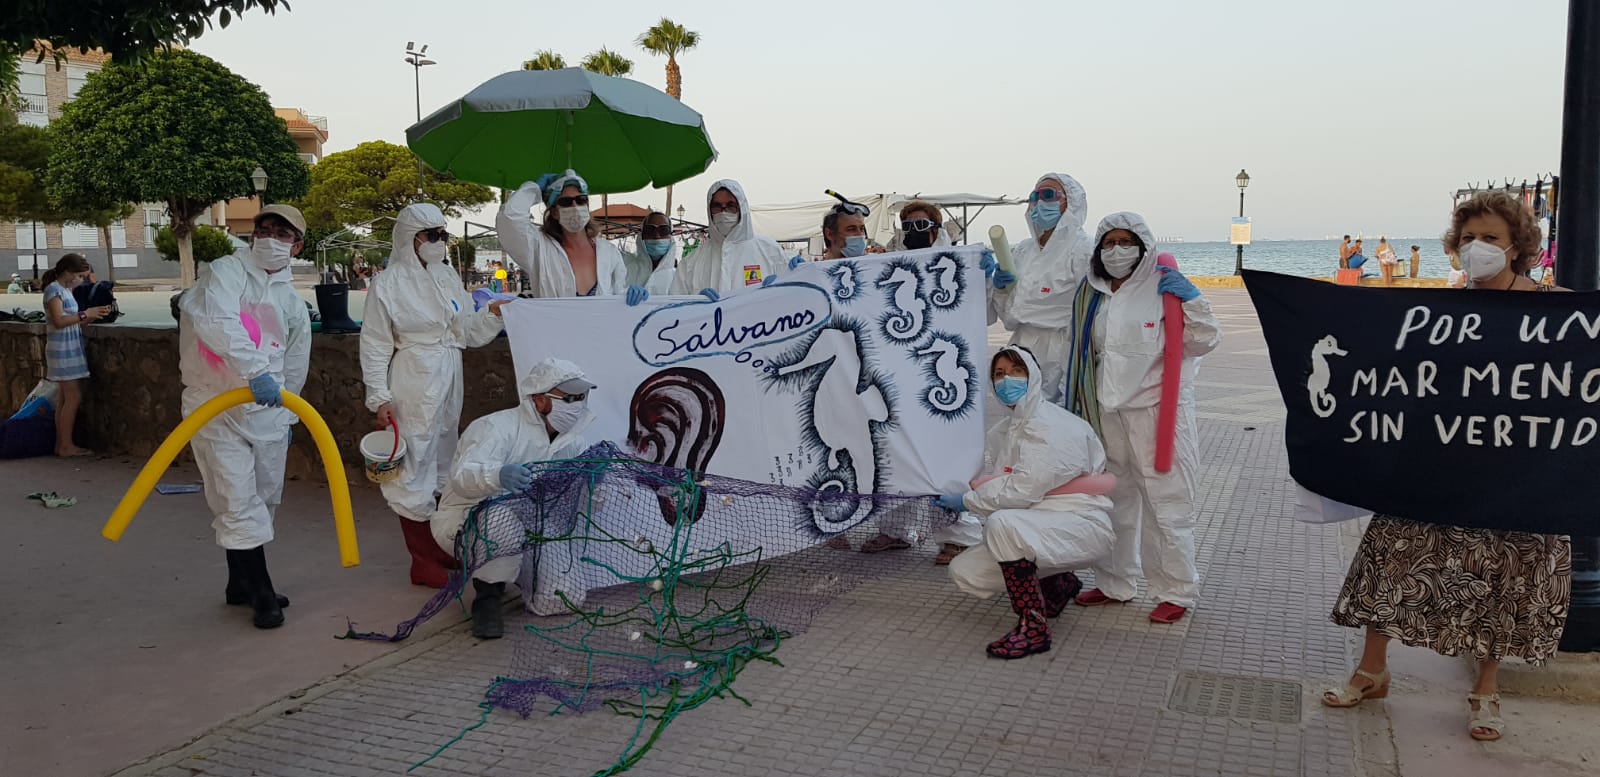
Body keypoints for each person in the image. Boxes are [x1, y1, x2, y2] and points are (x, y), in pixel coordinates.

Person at [1324, 191, 1570, 743]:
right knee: (1392, 556)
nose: (1477, 248)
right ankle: (1372, 670)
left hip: (1520, 474)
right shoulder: (1444, 310)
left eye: (1491, 238)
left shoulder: (1554, 310)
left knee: (1505, 576)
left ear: (1518, 247)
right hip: (1438, 464)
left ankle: (1486, 690)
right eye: (1467, 239)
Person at [1067, 212, 1222, 624]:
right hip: (1107, 411)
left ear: (1143, 245)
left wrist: (1193, 299)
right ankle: (1114, 581)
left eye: (1126, 241)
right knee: (1115, 500)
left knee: (1167, 505)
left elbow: (1202, 341)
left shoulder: (1162, 286)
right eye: (1109, 243)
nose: (1117, 251)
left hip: (1158, 412)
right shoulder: (1092, 292)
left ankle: (1175, 589)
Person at [361, 203, 512, 588]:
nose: (439, 242)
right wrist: (380, 397)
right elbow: (376, 343)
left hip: (448, 374)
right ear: (409, 239)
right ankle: (421, 560)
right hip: (413, 376)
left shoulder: (447, 277)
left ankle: (439, 543)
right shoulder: (388, 284)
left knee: (444, 457)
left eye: (443, 234)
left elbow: (465, 333)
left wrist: (493, 314)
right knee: (413, 462)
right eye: (431, 235)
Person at [178, 205, 312, 629]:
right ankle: (262, 592)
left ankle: (239, 581)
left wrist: (288, 414)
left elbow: (295, 359)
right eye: (264, 229)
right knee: (236, 496)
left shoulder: (290, 299)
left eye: (282, 233)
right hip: (215, 404)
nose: (270, 238)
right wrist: (254, 371)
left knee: (265, 497)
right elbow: (217, 322)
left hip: (267, 410)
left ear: (298, 245)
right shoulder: (225, 272)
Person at [942, 346, 1115, 659]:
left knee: (1002, 525)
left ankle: (1033, 628)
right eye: (999, 374)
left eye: (1016, 371)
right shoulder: (1004, 432)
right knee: (966, 570)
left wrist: (968, 501)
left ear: (1033, 376)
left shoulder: (1053, 427)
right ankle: (1057, 584)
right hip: (1038, 526)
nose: (1007, 380)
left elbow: (1021, 489)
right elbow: (1001, 484)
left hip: (1079, 523)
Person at [431, 357, 596, 639]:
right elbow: (462, 476)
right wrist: (497, 476)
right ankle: (488, 596)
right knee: (501, 517)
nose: (577, 404)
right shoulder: (495, 427)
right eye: (569, 398)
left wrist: (595, 484)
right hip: (467, 520)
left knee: (562, 597)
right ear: (540, 400)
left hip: (532, 525)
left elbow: (585, 498)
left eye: (582, 397)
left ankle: (515, 569)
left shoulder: (573, 441)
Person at [989, 173, 1094, 405]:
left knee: (1058, 416)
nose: (1039, 202)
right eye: (1034, 197)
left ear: (1071, 202)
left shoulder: (1083, 249)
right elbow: (1008, 310)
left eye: (1048, 195)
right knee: (1020, 413)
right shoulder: (1023, 251)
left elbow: (1095, 307)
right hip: (1022, 344)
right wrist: (997, 288)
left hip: (1062, 347)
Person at [497, 169, 640, 302]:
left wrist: (629, 295)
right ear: (554, 212)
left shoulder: (609, 252)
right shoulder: (539, 249)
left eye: (581, 200)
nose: (575, 206)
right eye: (565, 202)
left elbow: (617, 294)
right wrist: (533, 190)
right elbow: (510, 218)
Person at [40, 253, 111, 457]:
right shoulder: (54, 290)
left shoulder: (66, 290)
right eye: (80, 275)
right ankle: (66, 445)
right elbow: (59, 321)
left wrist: (91, 316)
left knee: (64, 397)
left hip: (69, 346)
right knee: (73, 396)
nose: (82, 280)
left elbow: (71, 319)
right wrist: (85, 314)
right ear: (69, 273)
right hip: (61, 349)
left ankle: (62, 443)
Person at [670, 179, 787, 297]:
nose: (723, 212)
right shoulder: (691, 262)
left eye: (731, 206)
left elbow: (792, 298)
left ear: (742, 208)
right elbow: (674, 308)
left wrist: (801, 273)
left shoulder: (770, 252)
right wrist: (696, 305)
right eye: (717, 207)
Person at [622, 210, 679, 295]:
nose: (657, 235)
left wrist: (700, 296)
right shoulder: (624, 266)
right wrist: (623, 293)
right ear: (641, 235)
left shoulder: (679, 276)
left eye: (663, 230)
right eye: (650, 229)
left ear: (671, 236)